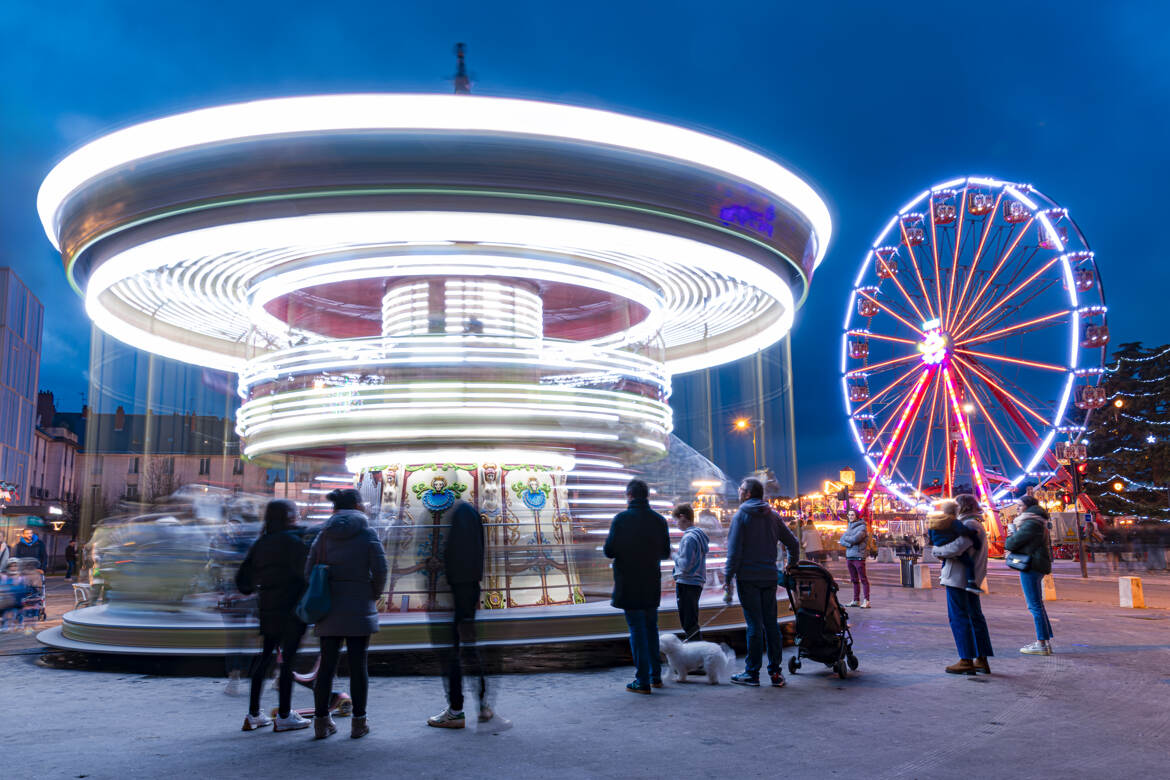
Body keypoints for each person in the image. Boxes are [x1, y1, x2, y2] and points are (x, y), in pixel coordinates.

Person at [307, 488, 388, 739]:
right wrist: (372, 592)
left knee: (327, 666)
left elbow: (309, 568)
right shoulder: (367, 533)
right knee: (358, 665)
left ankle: (321, 723)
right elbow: (381, 568)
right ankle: (358, 723)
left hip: (328, 606)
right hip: (358, 605)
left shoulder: (323, 535)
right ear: (357, 505)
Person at [427, 499, 505, 730]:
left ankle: (456, 710)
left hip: (459, 592)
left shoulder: (461, 514)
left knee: (454, 651)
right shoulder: (470, 514)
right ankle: (482, 706)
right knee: (468, 649)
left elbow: (457, 555)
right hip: (469, 589)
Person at [235, 499, 311, 732]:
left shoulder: (260, 543)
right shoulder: (295, 542)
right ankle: (285, 715)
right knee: (288, 661)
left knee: (265, 657)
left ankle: (253, 714)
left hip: (267, 609)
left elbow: (243, 583)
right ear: (288, 516)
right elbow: (306, 574)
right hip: (292, 608)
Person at [723, 477, 800, 688]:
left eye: (740, 489)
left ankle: (752, 673)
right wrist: (790, 567)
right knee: (771, 624)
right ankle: (776, 673)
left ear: (747, 494)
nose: (738, 491)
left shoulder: (740, 516)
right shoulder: (773, 515)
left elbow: (734, 552)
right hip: (769, 577)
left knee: (754, 626)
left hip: (748, 579)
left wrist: (727, 579)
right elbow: (793, 544)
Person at [604, 478, 671, 694]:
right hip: (651, 581)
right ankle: (656, 677)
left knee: (636, 630)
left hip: (629, 582)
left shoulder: (621, 519)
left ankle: (642, 681)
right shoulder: (659, 520)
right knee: (652, 628)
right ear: (647, 496)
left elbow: (609, 550)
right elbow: (665, 553)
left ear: (629, 495)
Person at [931, 493, 994, 675]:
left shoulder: (968, 525)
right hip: (969, 578)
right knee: (975, 618)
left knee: (959, 618)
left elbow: (956, 548)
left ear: (961, 507)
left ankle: (966, 659)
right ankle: (981, 658)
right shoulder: (976, 524)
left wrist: (937, 551)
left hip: (959, 579)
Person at [1004, 496, 1054, 656]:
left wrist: (1011, 534)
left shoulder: (1031, 523)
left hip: (1031, 565)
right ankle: (1044, 641)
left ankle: (1041, 643)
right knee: (1038, 604)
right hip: (1037, 564)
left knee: (1034, 605)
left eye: (1019, 505)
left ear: (1027, 506)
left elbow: (1012, 543)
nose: (1017, 508)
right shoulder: (1037, 521)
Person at [671, 503, 709, 642]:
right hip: (696, 582)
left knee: (688, 623)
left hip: (687, 582)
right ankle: (696, 653)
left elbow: (685, 565)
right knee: (691, 620)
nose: (676, 523)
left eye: (676, 520)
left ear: (682, 517)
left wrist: (673, 554)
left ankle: (696, 655)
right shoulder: (699, 535)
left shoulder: (688, 538)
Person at [927, 501, 983, 594]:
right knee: (968, 563)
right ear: (955, 511)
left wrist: (935, 541)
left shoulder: (935, 520)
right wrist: (972, 532)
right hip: (949, 543)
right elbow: (963, 531)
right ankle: (971, 583)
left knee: (946, 559)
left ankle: (942, 575)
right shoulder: (953, 521)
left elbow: (930, 533)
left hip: (939, 544)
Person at [839, 509, 871, 608]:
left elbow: (855, 539)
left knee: (863, 579)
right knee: (854, 580)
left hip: (858, 556)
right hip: (849, 556)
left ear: (857, 516)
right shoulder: (849, 527)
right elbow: (841, 540)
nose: (850, 516)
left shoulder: (862, 527)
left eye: (852, 515)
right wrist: (849, 542)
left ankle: (866, 600)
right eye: (849, 515)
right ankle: (856, 600)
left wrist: (847, 540)